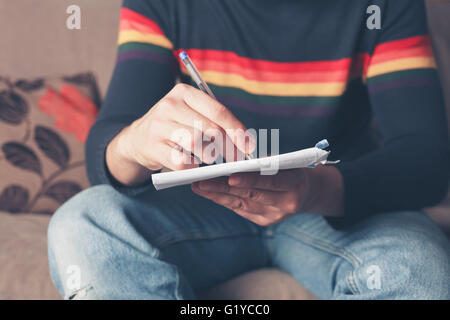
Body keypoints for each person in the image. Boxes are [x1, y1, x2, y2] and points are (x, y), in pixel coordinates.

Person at [48, 0, 450, 299]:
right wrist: (135, 142)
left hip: (332, 203)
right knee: (82, 223)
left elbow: (426, 158)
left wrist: (315, 190)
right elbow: (108, 153)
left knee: (420, 270)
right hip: (200, 206)